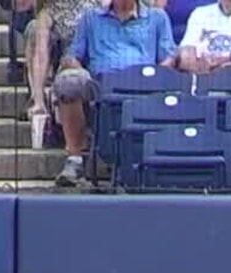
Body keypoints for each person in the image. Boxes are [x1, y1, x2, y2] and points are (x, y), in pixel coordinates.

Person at [50, 0, 178, 188]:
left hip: (144, 86)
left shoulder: (157, 18)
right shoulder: (90, 18)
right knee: (69, 81)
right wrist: (77, 68)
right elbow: (73, 56)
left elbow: (169, 58)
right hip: (101, 86)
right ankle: (75, 159)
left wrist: (153, 76)